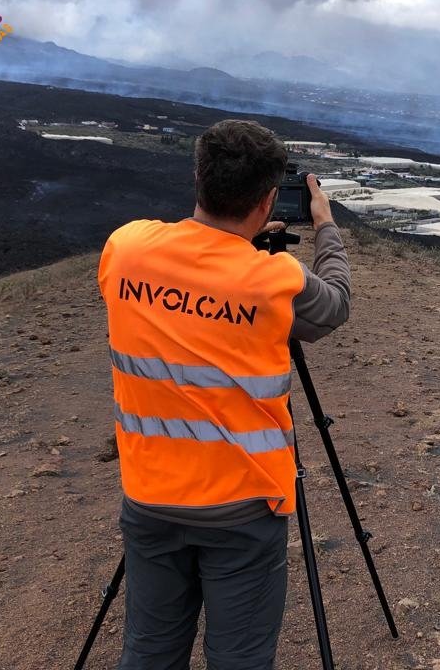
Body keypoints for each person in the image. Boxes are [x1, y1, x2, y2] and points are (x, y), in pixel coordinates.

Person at [96, 119, 351, 670]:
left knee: (149, 649)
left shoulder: (125, 249)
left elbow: (190, 288)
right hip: (243, 504)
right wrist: (325, 227)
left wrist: (229, 246)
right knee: (239, 658)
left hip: (150, 494)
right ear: (267, 199)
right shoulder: (273, 279)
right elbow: (333, 306)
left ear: (198, 177)